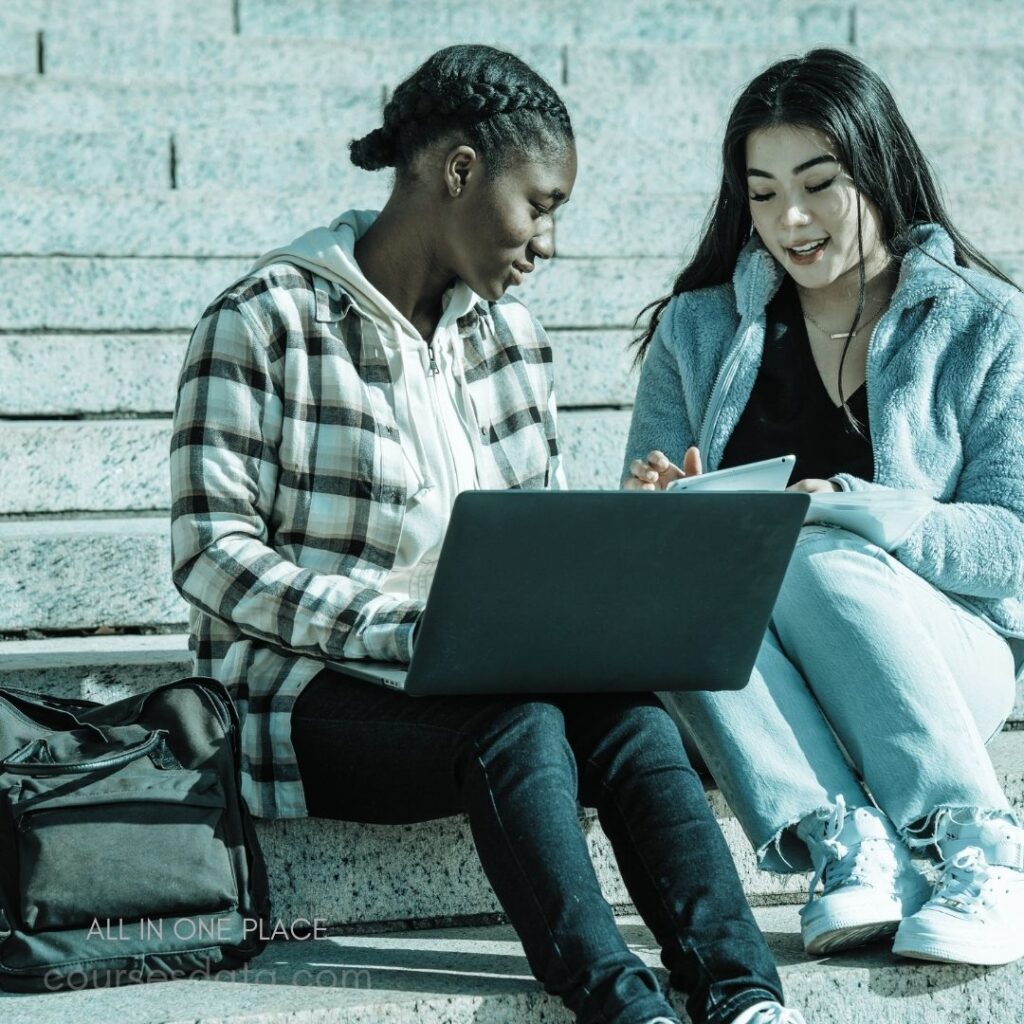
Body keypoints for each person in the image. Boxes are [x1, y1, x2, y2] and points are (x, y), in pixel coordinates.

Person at [170, 44, 803, 1024]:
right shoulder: (264, 323)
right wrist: (401, 631)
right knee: (518, 726)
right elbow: (209, 552)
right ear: (459, 171)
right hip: (298, 695)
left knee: (634, 720)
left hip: (483, 671)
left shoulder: (515, 341)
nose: (546, 240)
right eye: (538, 204)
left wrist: (630, 538)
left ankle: (745, 995)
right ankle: (620, 1003)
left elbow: (530, 538)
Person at [624, 47, 1024, 966]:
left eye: (817, 184)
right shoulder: (697, 327)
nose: (789, 220)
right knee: (687, 573)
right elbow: (634, 534)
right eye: (761, 193)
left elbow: (1015, 543)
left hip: (944, 654)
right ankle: (846, 842)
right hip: (764, 663)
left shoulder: (982, 323)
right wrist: (659, 504)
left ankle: (979, 844)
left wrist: (866, 512)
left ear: (875, 169)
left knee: (811, 548)